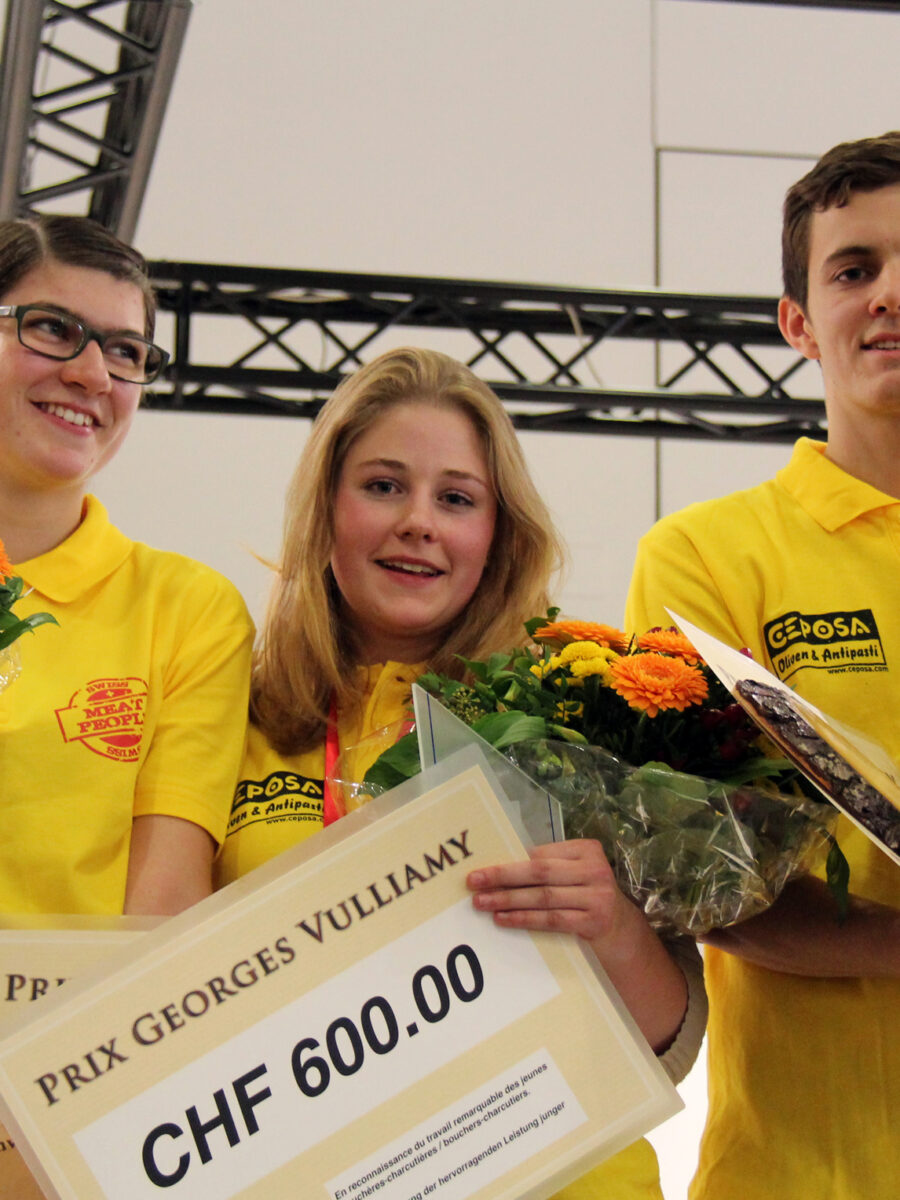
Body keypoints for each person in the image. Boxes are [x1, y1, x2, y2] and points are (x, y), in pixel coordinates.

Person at [216, 345, 706, 1199]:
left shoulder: (576, 719)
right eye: (383, 485)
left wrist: (614, 927)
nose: (419, 522)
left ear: (497, 536)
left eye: (456, 498)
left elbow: (667, 1043)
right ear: (325, 510)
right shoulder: (233, 715)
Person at [626, 131, 900, 1199]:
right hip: (799, 1175)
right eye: (854, 269)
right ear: (798, 323)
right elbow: (700, 884)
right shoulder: (706, 556)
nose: (889, 293)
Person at [0, 213, 253, 917]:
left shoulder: (189, 610)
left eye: (125, 352)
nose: (91, 374)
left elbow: (162, 911)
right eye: (52, 328)